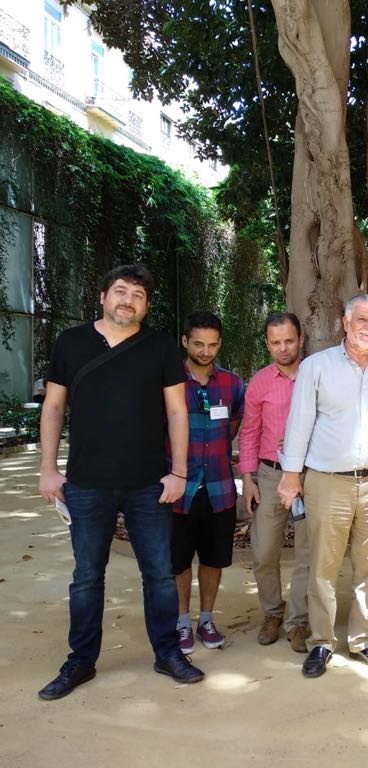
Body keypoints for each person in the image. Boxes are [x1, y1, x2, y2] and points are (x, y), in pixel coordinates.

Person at [37, 263, 203, 700]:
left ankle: (168, 652)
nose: (127, 300)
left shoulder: (160, 346)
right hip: (87, 482)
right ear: (103, 296)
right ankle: (80, 662)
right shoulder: (72, 342)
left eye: (138, 295)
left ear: (146, 307)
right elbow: (54, 407)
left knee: (160, 576)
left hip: (149, 483)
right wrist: (48, 468)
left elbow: (177, 411)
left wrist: (179, 472)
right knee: (87, 577)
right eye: (121, 291)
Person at [278, 294, 368, 677]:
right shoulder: (317, 367)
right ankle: (321, 642)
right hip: (327, 482)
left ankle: (365, 640)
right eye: (361, 320)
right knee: (323, 567)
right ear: (345, 323)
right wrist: (291, 476)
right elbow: (299, 423)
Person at [171, 312, 245, 654]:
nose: (205, 350)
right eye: (198, 343)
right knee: (179, 560)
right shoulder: (169, 381)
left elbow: (234, 424)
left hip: (218, 486)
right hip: (178, 489)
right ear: (185, 341)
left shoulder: (232, 384)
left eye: (212, 344)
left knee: (214, 558)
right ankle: (182, 621)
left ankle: (206, 619)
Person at [238, 312, 311, 652]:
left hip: (312, 475)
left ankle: (299, 621)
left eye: (289, 341)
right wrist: (248, 478)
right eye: (276, 342)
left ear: (301, 340)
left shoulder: (316, 376)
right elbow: (250, 432)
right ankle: (272, 613)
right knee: (265, 549)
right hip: (269, 475)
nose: (283, 348)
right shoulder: (260, 382)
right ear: (267, 344)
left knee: (307, 552)